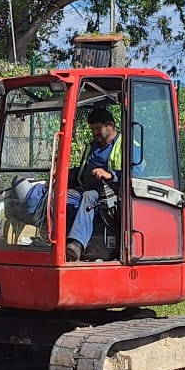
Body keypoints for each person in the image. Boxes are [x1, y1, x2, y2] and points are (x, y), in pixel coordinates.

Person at [67, 104, 138, 259]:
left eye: (97, 129)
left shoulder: (126, 145)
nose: (94, 133)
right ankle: (53, 240)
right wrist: (61, 175)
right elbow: (82, 170)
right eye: (92, 129)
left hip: (112, 195)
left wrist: (110, 175)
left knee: (89, 196)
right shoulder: (93, 146)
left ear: (110, 125)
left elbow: (137, 174)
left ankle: (76, 245)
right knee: (59, 198)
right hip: (85, 188)